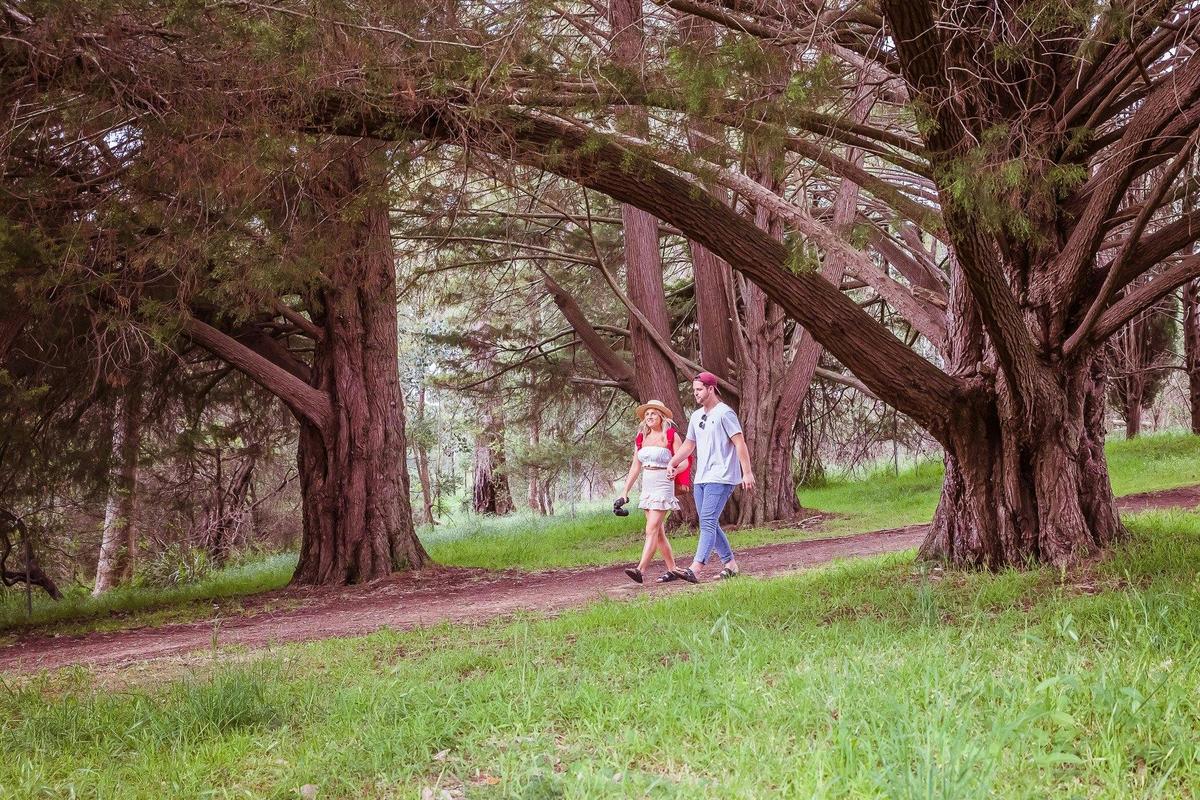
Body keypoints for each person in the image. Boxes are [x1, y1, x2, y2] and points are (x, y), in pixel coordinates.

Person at [666, 372, 755, 581]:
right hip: (702, 478)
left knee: (707, 520)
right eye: (694, 390)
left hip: (722, 476)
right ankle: (730, 564)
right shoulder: (696, 416)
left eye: (699, 390)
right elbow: (689, 445)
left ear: (711, 389)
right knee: (710, 522)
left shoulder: (725, 413)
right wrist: (673, 462)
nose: (695, 393)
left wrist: (747, 472)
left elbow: (739, 443)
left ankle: (696, 568)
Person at [616, 400, 685, 584]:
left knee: (651, 529)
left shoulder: (670, 436)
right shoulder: (641, 438)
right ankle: (673, 569)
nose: (649, 417)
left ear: (661, 416)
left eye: (653, 413)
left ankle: (640, 570)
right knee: (659, 532)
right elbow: (635, 467)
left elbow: (685, 460)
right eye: (647, 414)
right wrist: (624, 492)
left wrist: (675, 470)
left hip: (663, 482)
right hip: (648, 484)